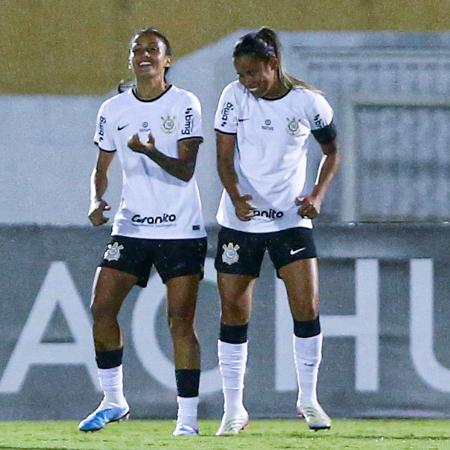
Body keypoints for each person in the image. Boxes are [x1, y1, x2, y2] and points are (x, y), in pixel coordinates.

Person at [78, 27, 206, 437]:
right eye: (138, 50)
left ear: (168, 60)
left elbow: (186, 169)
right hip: (131, 226)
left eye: (153, 49)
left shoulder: (186, 103)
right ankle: (114, 400)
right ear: (131, 59)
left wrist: (150, 150)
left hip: (180, 228)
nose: (144, 55)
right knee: (101, 309)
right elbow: (100, 169)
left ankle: (186, 421)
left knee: (180, 323)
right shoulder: (113, 109)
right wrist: (97, 201)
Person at [213, 27, 340, 435]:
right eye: (241, 74)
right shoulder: (233, 97)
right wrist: (235, 196)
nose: (247, 82)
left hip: (289, 220)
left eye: (253, 73)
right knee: (233, 311)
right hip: (241, 221)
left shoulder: (308, 103)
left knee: (307, 307)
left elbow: (333, 151)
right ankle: (234, 409)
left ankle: (307, 399)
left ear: (273, 64)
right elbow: (223, 157)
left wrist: (318, 195)